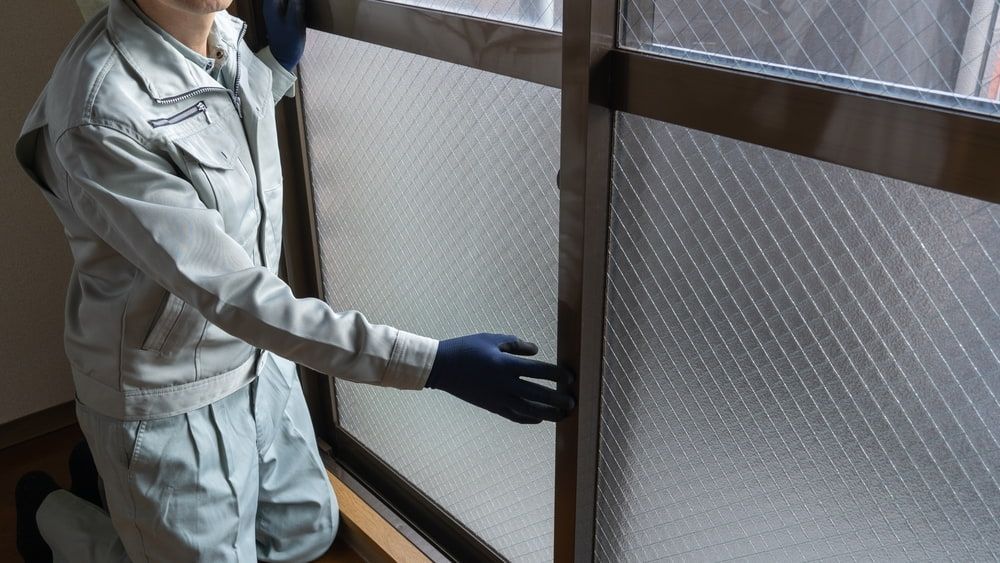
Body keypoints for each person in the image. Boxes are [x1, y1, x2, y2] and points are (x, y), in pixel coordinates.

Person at [12, 0, 576, 561]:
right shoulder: (99, 111)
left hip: (259, 359)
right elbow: (229, 292)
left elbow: (208, 142)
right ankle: (52, 515)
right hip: (171, 393)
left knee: (306, 534)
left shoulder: (222, 36)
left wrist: (270, 72)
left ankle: (120, 496)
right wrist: (430, 364)